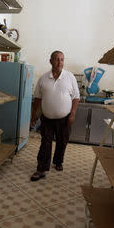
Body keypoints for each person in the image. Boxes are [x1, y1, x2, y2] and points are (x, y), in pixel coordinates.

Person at [30, 51, 80, 181]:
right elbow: (37, 99)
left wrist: (73, 114)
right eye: (57, 59)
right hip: (47, 118)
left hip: (65, 118)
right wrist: (33, 116)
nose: (60, 62)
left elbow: (76, 97)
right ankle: (41, 168)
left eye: (62, 59)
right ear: (51, 61)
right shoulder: (43, 78)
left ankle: (58, 161)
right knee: (45, 143)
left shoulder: (70, 77)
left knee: (62, 141)